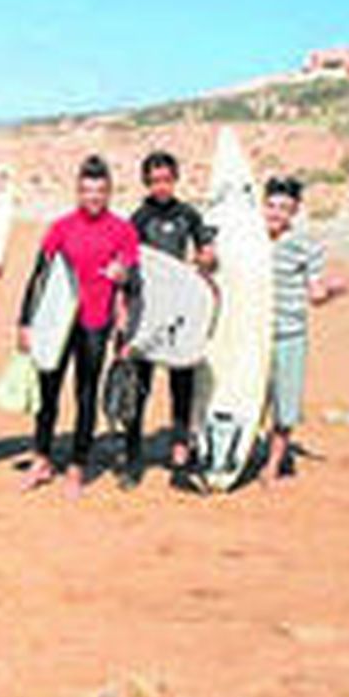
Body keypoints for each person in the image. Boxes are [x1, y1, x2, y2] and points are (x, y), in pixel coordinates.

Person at [18, 155, 140, 498]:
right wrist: (25, 322)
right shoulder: (61, 227)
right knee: (48, 394)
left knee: (85, 396)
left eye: (100, 191)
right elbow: (38, 277)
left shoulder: (123, 230)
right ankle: (41, 459)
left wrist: (124, 276)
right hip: (55, 324)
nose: (93, 197)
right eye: (87, 191)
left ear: (109, 191)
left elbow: (134, 278)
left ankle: (76, 466)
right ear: (77, 191)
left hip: (95, 322)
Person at [121, 151, 216, 488]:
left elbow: (206, 249)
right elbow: (129, 268)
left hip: (181, 314)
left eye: (167, 180)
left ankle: (180, 457)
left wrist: (207, 257)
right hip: (147, 313)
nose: (161, 186)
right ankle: (133, 460)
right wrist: (125, 323)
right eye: (154, 180)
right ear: (146, 183)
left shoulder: (188, 214)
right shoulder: (138, 218)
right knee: (138, 390)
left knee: (182, 389)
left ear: (175, 179)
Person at [258, 176, 348, 487]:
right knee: (246, 400)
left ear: (295, 211)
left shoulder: (306, 247)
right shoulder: (249, 241)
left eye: (284, 208)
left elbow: (315, 295)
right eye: (271, 205)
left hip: (289, 334)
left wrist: (334, 291)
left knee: (286, 405)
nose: (276, 213)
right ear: (262, 205)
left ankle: (271, 468)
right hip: (253, 337)